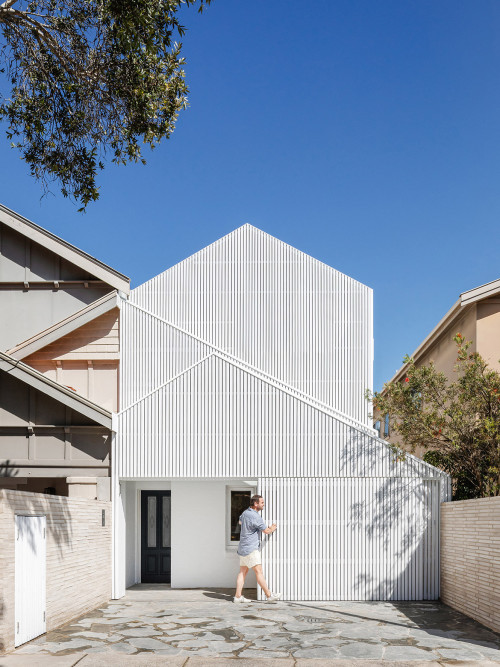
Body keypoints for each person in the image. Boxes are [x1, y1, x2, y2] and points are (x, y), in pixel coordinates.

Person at [233, 494, 282, 603]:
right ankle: (269, 596)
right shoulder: (255, 516)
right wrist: (273, 528)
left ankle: (237, 597)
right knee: (258, 572)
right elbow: (266, 531)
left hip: (242, 548)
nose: (263, 505)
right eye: (262, 503)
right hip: (251, 549)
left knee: (242, 572)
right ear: (256, 504)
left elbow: (240, 522)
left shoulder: (245, 513)